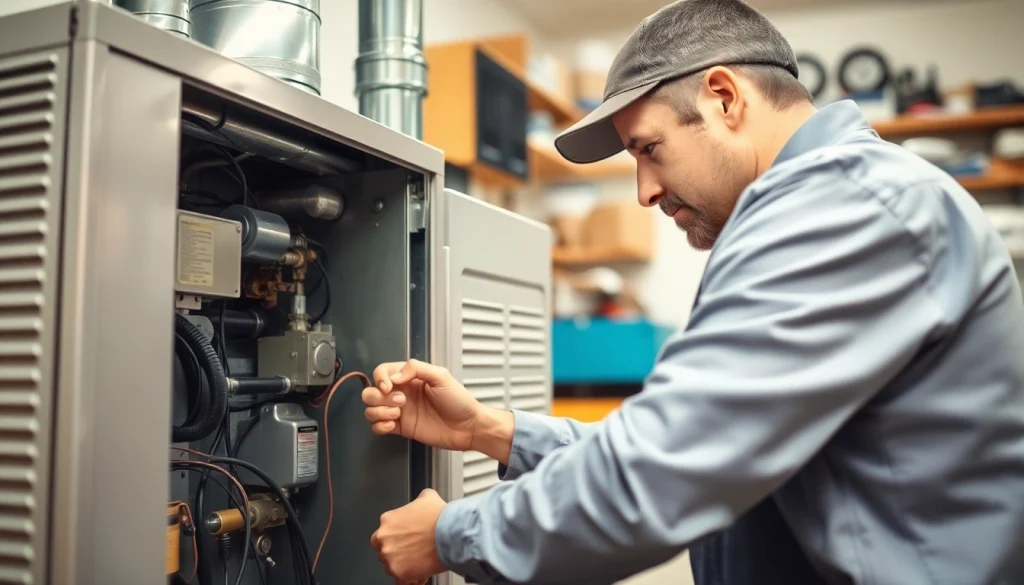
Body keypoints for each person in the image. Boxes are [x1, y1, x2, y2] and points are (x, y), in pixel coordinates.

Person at [366, 0, 1024, 583]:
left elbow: (664, 467)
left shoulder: (843, 204)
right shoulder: (821, 203)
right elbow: (700, 438)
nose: (645, 190)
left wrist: (451, 533)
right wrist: (496, 430)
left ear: (725, 98)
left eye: (650, 148)